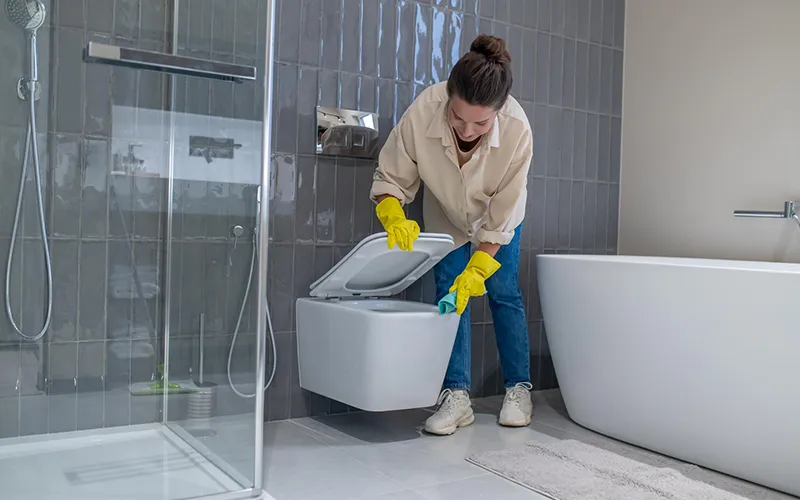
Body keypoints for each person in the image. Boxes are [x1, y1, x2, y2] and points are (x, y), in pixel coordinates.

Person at [370, 34, 533, 436]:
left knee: (502, 291)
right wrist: (393, 216)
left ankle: (519, 388)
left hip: (497, 219)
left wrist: (478, 269)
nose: (467, 129)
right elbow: (391, 177)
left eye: (481, 122)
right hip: (445, 213)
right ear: (448, 96)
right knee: (449, 295)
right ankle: (456, 395)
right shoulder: (425, 110)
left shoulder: (517, 130)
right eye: (458, 118)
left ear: (499, 110)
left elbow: (502, 215)